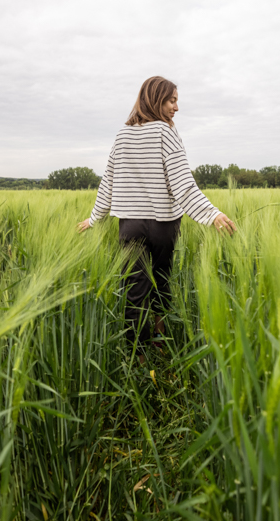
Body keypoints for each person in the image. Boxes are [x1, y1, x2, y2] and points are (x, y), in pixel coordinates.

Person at [77, 76, 236, 354]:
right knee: (162, 283)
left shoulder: (122, 135)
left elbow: (108, 182)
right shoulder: (165, 132)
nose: (176, 108)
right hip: (163, 224)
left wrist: (95, 218)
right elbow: (182, 183)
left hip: (130, 225)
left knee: (134, 292)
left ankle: (138, 357)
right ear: (156, 100)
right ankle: (161, 346)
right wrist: (211, 214)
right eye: (172, 101)